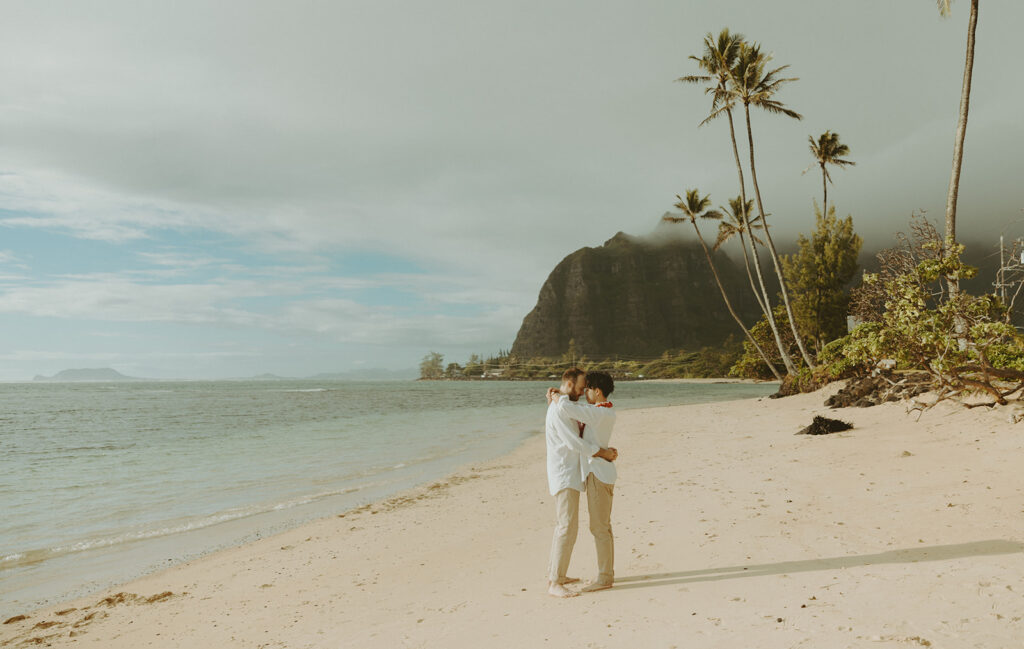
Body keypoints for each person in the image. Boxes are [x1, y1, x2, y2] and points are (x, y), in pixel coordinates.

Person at [544, 368, 617, 598]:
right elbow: (575, 440)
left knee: (596, 527)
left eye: (587, 388)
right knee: (568, 527)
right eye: (580, 386)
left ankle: (603, 576)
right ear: (569, 384)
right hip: (568, 474)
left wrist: (557, 398)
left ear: (596, 391)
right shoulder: (570, 409)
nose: (583, 391)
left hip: (591, 473)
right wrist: (603, 452)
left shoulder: (597, 411)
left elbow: (574, 412)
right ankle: (555, 580)